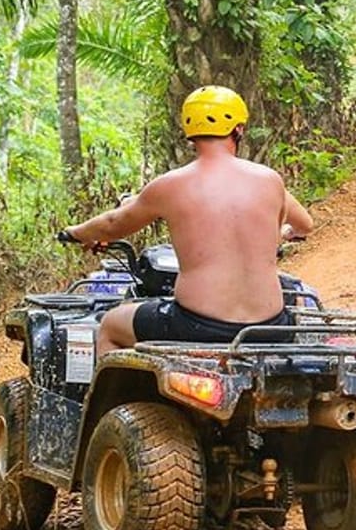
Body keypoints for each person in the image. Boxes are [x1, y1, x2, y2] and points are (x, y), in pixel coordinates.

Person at [63, 85, 315, 354]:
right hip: (269, 327)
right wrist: (283, 233)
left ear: (188, 129)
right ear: (238, 128)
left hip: (198, 326)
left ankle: (110, 397)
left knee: (112, 324)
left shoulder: (170, 186)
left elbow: (113, 224)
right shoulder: (269, 180)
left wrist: (77, 232)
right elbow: (305, 225)